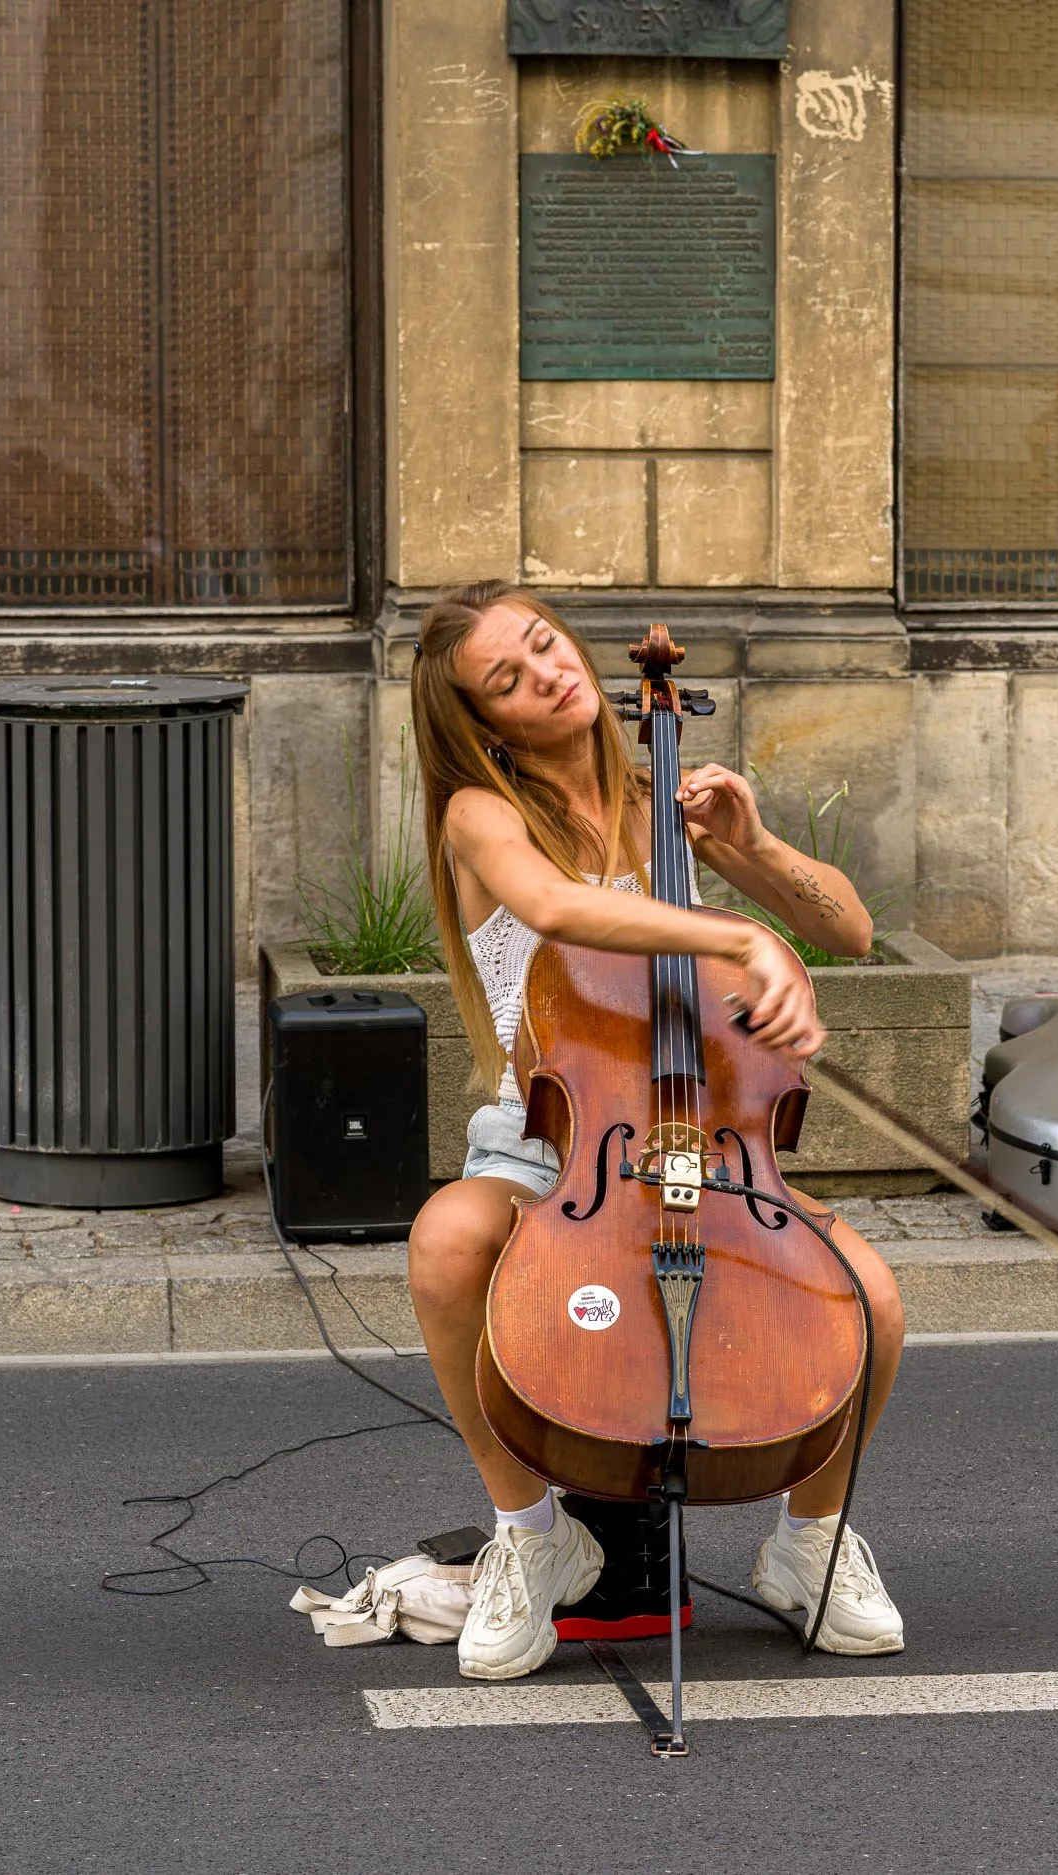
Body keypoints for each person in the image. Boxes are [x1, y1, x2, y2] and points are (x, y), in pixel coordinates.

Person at [405, 580, 909, 1682]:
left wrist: (756, 850)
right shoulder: (481, 816)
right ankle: (532, 1539)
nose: (546, 673)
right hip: (558, 1143)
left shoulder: (665, 804)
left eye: (542, 645)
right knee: (447, 1240)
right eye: (508, 679)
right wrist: (736, 944)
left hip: (710, 1142)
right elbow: (559, 909)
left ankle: (809, 1545)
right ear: (485, 722)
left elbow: (850, 930)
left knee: (869, 1296)